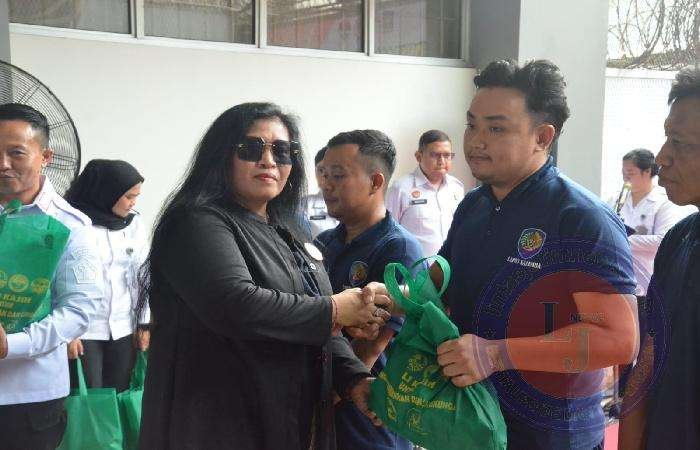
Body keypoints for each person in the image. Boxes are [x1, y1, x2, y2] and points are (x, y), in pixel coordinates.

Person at [367, 60, 639, 449]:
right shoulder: (474, 205)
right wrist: (391, 298)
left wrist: (495, 354)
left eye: (496, 128)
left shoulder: (580, 218)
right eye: (472, 125)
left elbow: (618, 339)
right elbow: (441, 281)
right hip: (468, 424)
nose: (476, 141)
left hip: (549, 437)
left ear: (542, 136)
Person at [137, 102, 390, 450]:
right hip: (220, 425)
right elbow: (235, 305)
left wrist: (355, 378)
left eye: (282, 151)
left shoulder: (290, 229)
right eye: (252, 148)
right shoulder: (197, 222)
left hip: (293, 422)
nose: (269, 161)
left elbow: (312, 324)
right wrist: (334, 309)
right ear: (222, 155)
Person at [0, 103, 103, 450]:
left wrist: (11, 345)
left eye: (16, 153)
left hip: (27, 397)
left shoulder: (69, 225)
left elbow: (79, 310)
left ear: (45, 156)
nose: (3, 164)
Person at [316, 129, 423, 450]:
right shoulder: (323, 243)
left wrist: (316, 409)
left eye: (338, 175)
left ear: (375, 182)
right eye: (323, 174)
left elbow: (371, 348)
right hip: (328, 418)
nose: (326, 185)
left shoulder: (398, 248)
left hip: (368, 421)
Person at [618, 68, 700, 450]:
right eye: (668, 138)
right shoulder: (679, 241)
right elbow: (647, 365)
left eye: (680, 143)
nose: (663, 156)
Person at [64, 159, 150, 392]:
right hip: (84, 328)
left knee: (121, 394)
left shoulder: (134, 224)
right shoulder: (73, 223)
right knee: (89, 396)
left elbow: (142, 276)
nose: (133, 203)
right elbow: (58, 279)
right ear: (107, 193)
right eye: (129, 196)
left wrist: (144, 324)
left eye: (136, 197)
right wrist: (67, 333)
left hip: (124, 327)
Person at [618, 148, 694, 296]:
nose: (625, 178)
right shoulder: (616, 200)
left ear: (647, 172)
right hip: (620, 279)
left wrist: (621, 240)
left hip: (648, 281)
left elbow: (663, 240)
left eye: (630, 173)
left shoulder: (663, 203)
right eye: (623, 173)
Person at [386, 130, 464, 257]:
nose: (441, 161)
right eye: (435, 155)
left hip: (450, 266)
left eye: (447, 155)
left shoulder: (457, 187)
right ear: (419, 156)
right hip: (414, 267)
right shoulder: (400, 189)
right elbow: (387, 233)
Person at [302, 147, 338, 238]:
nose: (325, 175)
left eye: (334, 171)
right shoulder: (303, 206)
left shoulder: (360, 203)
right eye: (321, 170)